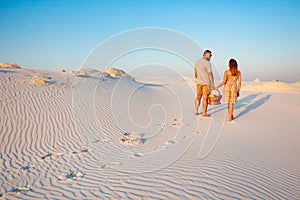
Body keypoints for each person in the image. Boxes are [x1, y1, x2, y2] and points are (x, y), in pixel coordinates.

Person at [194, 50, 215, 116]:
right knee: (205, 98)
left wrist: (197, 78)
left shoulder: (197, 62)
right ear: (205, 55)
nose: (211, 57)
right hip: (206, 83)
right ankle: (204, 113)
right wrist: (212, 83)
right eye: (210, 55)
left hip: (199, 82)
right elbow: (210, 73)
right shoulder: (207, 63)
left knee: (198, 97)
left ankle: (196, 111)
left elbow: (195, 71)